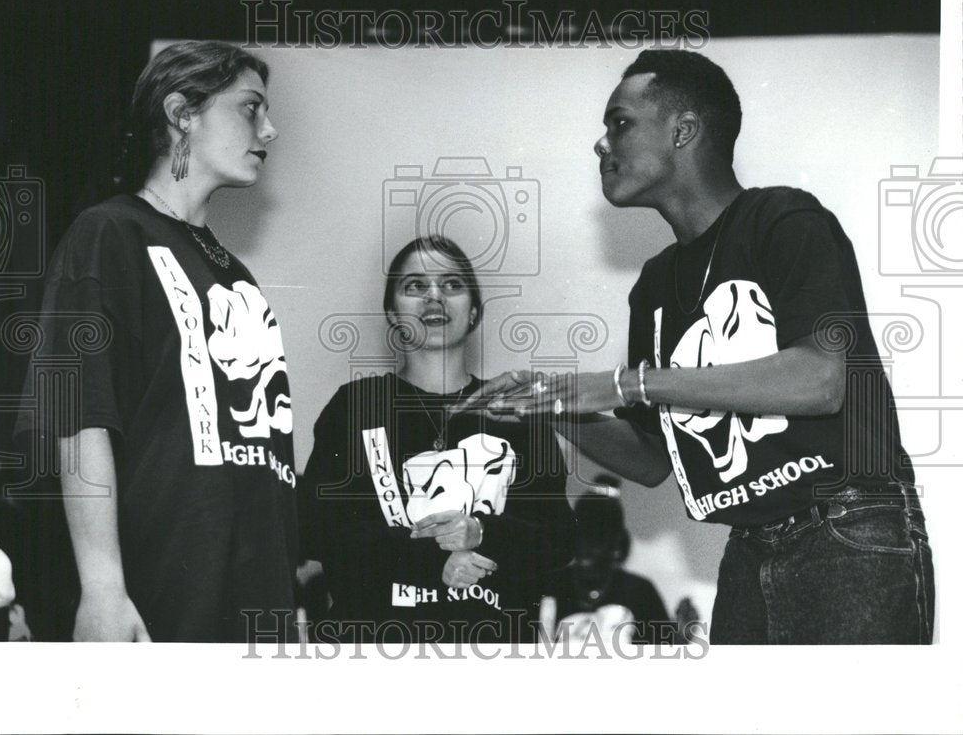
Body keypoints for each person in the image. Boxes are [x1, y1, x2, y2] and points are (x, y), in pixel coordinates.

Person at [460, 49, 934, 645]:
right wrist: (550, 403)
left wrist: (627, 382)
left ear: (683, 130)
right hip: (747, 547)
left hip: (847, 530)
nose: (602, 144)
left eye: (621, 123)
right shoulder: (654, 287)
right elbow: (655, 460)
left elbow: (820, 379)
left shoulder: (784, 218)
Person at [16, 41, 299, 642]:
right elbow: (77, 413)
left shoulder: (233, 273)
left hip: (252, 608)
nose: (269, 130)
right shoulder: (108, 233)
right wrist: (102, 588)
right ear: (181, 113)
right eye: (251, 109)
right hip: (157, 598)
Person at [302, 236, 575, 643]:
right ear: (392, 313)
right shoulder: (357, 406)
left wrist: (481, 533)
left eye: (452, 285)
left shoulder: (516, 412)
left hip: (491, 652)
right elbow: (318, 528)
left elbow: (558, 539)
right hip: (372, 649)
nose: (434, 297)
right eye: (415, 286)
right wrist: (430, 559)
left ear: (475, 311)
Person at [543, 474, 672, 645]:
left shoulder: (640, 593)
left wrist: (681, 637)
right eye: (579, 534)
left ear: (616, 545)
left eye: (595, 538)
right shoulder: (551, 584)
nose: (584, 547)